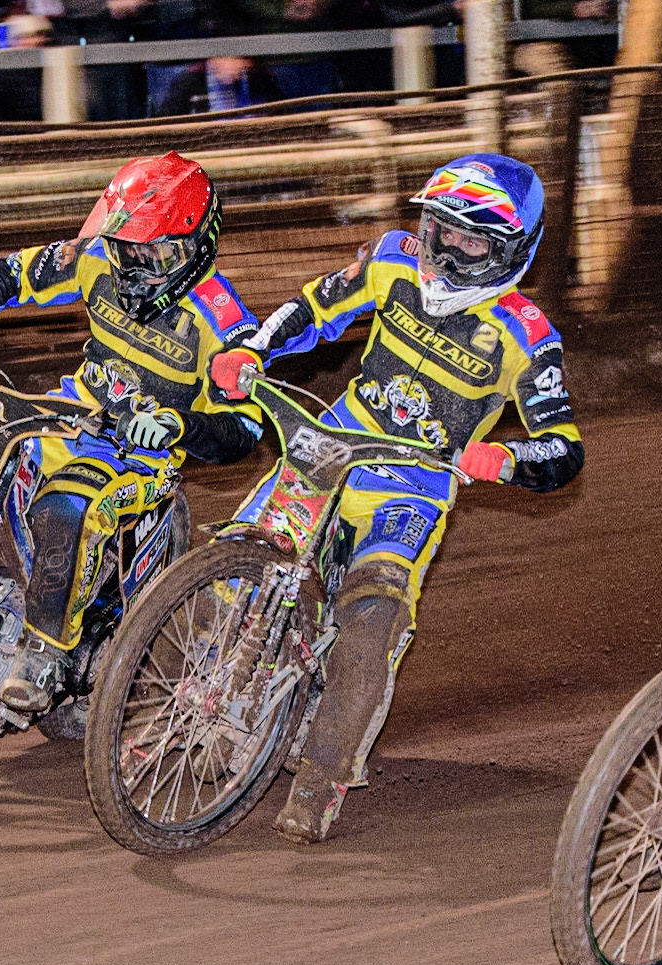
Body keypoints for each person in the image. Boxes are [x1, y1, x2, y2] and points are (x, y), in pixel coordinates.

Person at [207, 154, 583, 844]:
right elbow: (314, 307)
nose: (445, 249)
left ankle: (322, 778)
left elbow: (563, 448)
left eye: (471, 240)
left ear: (510, 250)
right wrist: (254, 349)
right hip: (332, 445)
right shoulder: (392, 260)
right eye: (438, 228)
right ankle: (212, 687)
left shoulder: (526, 337)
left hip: (411, 486)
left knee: (371, 619)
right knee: (229, 563)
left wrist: (501, 456)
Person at [0, 151, 264, 714]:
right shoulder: (97, 258)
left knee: (65, 506)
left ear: (194, 246)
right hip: (70, 415)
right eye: (125, 247)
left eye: (150, 252)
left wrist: (176, 425)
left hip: (142, 456)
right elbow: (11, 275)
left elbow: (242, 428)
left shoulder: (225, 321)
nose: (132, 265)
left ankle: (47, 653)